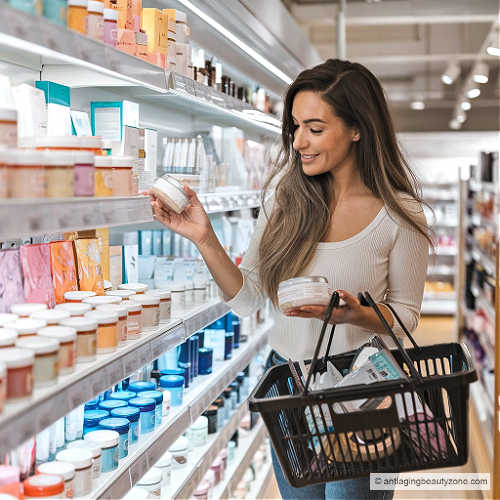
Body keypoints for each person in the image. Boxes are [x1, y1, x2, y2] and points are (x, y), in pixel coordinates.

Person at [149, 58, 431, 500]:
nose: (299, 141)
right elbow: (248, 297)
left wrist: (354, 314)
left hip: (360, 385)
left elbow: (408, 317)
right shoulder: (287, 198)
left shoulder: (399, 215)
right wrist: (205, 238)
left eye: (315, 128)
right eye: (295, 126)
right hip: (287, 381)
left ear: (357, 128)